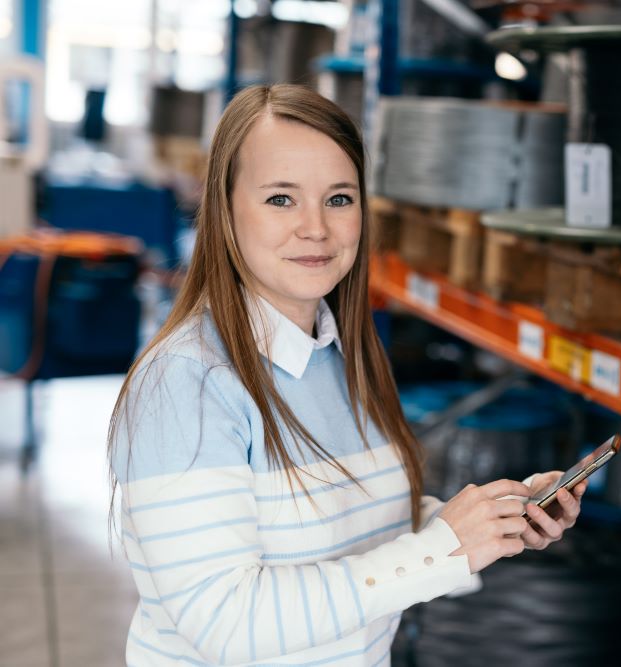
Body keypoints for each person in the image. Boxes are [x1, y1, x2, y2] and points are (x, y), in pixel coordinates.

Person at [108, 84, 586, 666]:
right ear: (225, 208)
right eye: (281, 199)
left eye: (339, 198)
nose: (316, 228)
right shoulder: (186, 382)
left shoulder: (340, 355)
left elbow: (359, 536)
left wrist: (490, 523)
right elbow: (225, 622)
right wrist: (442, 549)